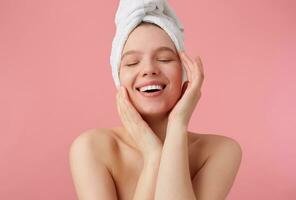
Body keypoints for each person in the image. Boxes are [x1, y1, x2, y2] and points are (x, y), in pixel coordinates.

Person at [69, 1, 242, 200]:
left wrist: (177, 125)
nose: (149, 69)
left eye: (164, 59)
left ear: (185, 72)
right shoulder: (91, 148)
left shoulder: (220, 151)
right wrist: (154, 156)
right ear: (118, 78)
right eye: (132, 62)